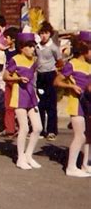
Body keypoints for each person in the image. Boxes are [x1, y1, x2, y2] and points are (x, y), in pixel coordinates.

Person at [3, 32, 43, 170]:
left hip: (31, 95)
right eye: (30, 46)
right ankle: (20, 158)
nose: (33, 49)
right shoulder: (16, 59)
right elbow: (6, 76)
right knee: (24, 128)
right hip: (19, 96)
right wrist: (18, 79)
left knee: (38, 127)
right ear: (22, 47)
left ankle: (28, 155)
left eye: (34, 46)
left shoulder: (33, 61)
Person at [54, 31, 91, 177]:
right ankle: (71, 167)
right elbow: (57, 81)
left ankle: (86, 164)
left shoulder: (89, 66)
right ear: (83, 49)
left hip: (87, 103)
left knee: (89, 135)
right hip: (76, 104)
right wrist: (71, 87)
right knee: (80, 136)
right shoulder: (72, 64)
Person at [36, 21, 62, 141]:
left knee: (51, 104)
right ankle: (41, 130)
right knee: (40, 104)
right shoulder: (37, 46)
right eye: (41, 33)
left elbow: (60, 61)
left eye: (45, 33)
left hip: (50, 75)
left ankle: (52, 130)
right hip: (40, 76)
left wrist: (56, 71)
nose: (43, 36)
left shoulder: (53, 48)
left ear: (50, 34)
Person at [0, 27, 20, 137]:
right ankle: (10, 128)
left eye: (7, 38)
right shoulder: (7, 51)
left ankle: (20, 127)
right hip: (9, 80)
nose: (5, 40)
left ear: (13, 39)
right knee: (8, 105)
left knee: (19, 106)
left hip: (17, 80)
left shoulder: (19, 51)